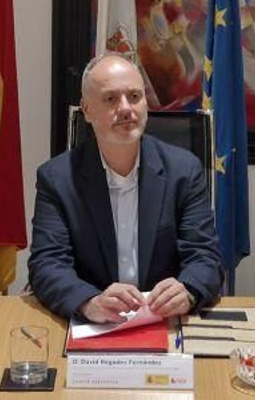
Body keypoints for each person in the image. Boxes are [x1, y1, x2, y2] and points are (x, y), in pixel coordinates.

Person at [28, 54, 222, 322]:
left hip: (163, 322)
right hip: (95, 325)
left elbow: (205, 257)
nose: (126, 108)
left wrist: (187, 290)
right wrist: (88, 302)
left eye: (134, 96)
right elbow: (47, 264)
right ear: (87, 110)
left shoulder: (184, 171)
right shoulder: (57, 179)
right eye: (110, 99)